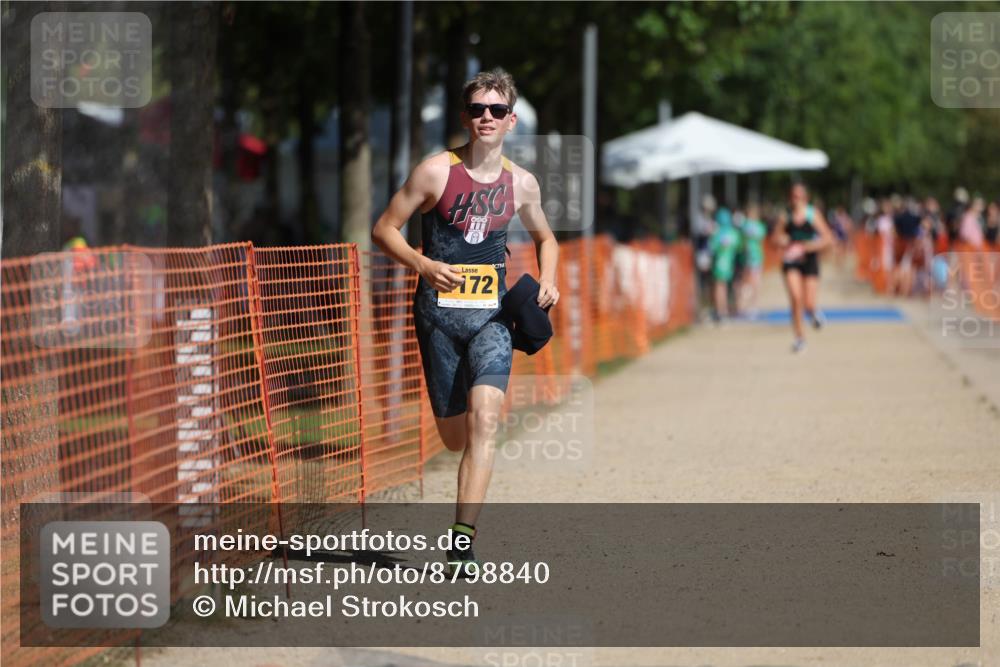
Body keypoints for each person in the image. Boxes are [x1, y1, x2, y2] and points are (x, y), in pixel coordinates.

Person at [371, 68, 559, 575]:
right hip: (438, 321)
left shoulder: (522, 183)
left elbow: (547, 238)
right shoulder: (435, 172)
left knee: (486, 421)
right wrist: (424, 265)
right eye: (477, 109)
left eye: (496, 110)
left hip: (493, 320)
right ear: (464, 117)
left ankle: (461, 546)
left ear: (511, 119)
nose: (486, 117)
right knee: (456, 438)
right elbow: (383, 229)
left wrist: (549, 279)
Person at [774, 183, 834, 353]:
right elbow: (775, 237)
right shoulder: (785, 216)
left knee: (808, 302)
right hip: (791, 261)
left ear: (805, 198)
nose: (796, 200)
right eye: (794, 196)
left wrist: (812, 246)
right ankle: (800, 338)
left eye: (800, 196)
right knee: (795, 298)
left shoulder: (812, 214)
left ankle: (813, 312)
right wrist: (782, 240)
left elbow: (828, 237)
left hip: (809, 260)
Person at [708, 207, 740, 321]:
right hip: (729, 263)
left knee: (719, 287)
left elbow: (712, 248)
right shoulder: (733, 233)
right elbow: (737, 245)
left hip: (719, 264)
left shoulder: (718, 232)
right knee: (725, 287)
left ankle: (720, 310)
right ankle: (725, 309)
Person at [738, 203, 767, 317]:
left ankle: (752, 306)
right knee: (749, 282)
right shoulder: (752, 226)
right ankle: (747, 305)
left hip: (755, 257)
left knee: (754, 282)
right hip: (749, 258)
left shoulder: (752, 226)